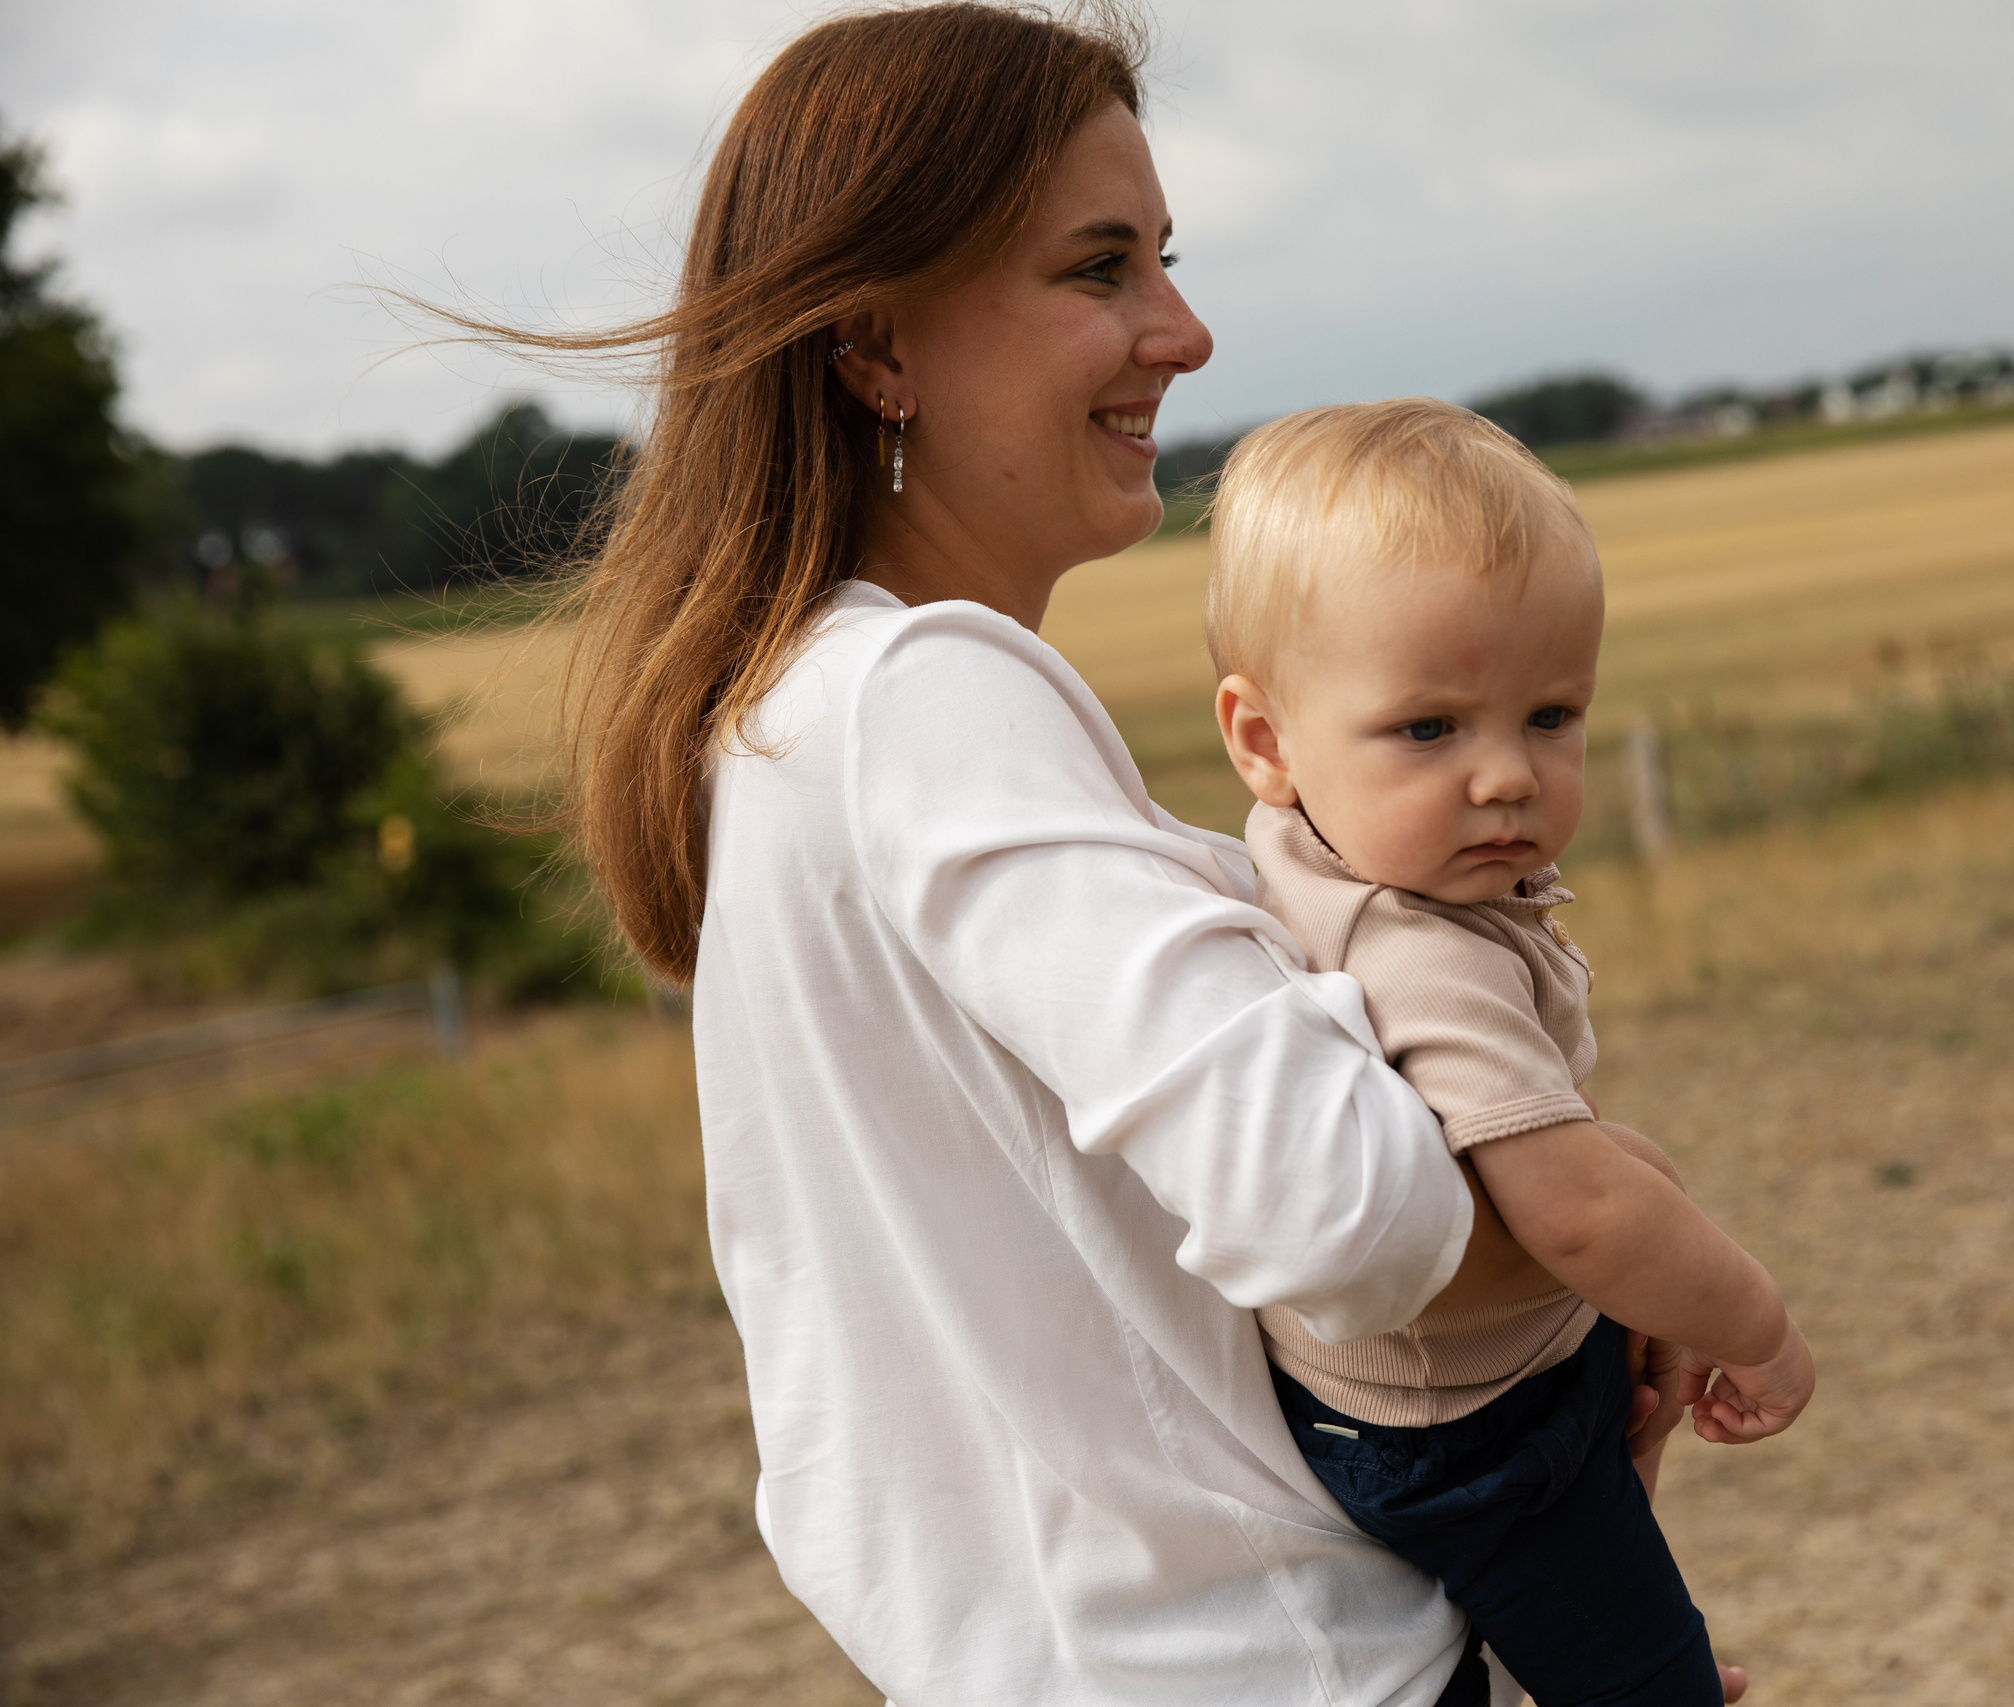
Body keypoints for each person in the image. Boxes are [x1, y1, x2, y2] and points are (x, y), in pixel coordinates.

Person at [492, 6, 1714, 1703]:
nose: (1184, 333)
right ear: (877, 342)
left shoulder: (792, 712)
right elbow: (1345, 1212)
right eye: (1099, 269)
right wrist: (1598, 1225)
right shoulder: (925, 695)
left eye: (1166, 260)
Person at [1202, 399, 1816, 1705]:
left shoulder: (1333, 859)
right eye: (1430, 729)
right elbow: (1574, 1210)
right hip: (1473, 1432)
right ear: (1265, 742)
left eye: (1550, 714)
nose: (1507, 778)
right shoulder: (1418, 952)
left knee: (1620, 1573)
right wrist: (1751, 1319)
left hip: (1502, 1360)